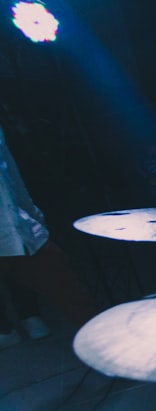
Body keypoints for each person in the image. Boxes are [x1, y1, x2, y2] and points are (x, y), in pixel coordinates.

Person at [0, 122, 98, 348]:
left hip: (19, 233)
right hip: (14, 234)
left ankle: (113, 356)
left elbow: (11, 177)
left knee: (77, 301)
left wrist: (34, 215)